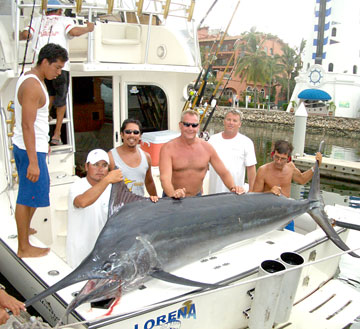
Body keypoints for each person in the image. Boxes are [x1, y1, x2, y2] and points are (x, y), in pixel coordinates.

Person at [12, 43, 68, 258]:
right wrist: (34, 161)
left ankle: (24, 230)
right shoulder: (33, 86)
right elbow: (27, 125)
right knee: (27, 196)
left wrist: (43, 148)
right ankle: (24, 246)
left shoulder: (31, 79)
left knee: (34, 193)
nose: (59, 72)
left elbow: (33, 125)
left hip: (33, 148)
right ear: (45, 62)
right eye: (57, 67)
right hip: (29, 151)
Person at [20, 0, 94, 145]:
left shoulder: (36, 20)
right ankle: (57, 133)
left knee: (47, 95)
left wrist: (23, 36)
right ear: (60, 11)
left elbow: (25, 34)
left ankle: (44, 121)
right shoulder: (64, 20)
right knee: (60, 100)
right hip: (60, 67)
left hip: (40, 67)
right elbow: (73, 32)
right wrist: (88, 28)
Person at [159, 109, 244, 198]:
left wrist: (233, 188)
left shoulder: (207, 148)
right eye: (187, 124)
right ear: (180, 125)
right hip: (172, 198)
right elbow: (165, 179)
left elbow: (223, 172)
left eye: (194, 125)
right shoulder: (168, 148)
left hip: (197, 198)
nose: (190, 128)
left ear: (198, 127)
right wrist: (173, 194)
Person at [66, 149, 123, 268]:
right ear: (86, 167)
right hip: (80, 256)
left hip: (104, 253)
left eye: (104, 165)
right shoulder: (76, 186)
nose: (100, 169)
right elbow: (82, 202)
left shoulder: (113, 189)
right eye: (96, 165)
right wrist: (107, 180)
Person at [253, 140, 322, 231]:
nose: (278, 161)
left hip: (287, 214)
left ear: (288, 158)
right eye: (276, 157)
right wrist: (269, 192)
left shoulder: (291, 168)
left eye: (282, 159)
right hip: (268, 215)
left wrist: (316, 166)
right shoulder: (263, 170)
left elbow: (302, 180)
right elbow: (253, 197)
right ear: (273, 154)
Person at [108, 119, 158, 202]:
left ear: (140, 136)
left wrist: (156, 200)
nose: (132, 135)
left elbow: (149, 182)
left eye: (136, 132)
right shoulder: (111, 157)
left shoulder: (146, 157)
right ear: (121, 134)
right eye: (128, 132)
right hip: (118, 209)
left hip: (138, 209)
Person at [208, 110, 257, 194]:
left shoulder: (247, 142)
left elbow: (251, 168)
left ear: (239, 124)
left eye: (235, 121)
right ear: (224, 121)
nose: (231, 123)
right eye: (228, 119)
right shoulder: (212, 140)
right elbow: (204, 165)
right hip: (214, 192)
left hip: (236, 193)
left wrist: (252, 190)